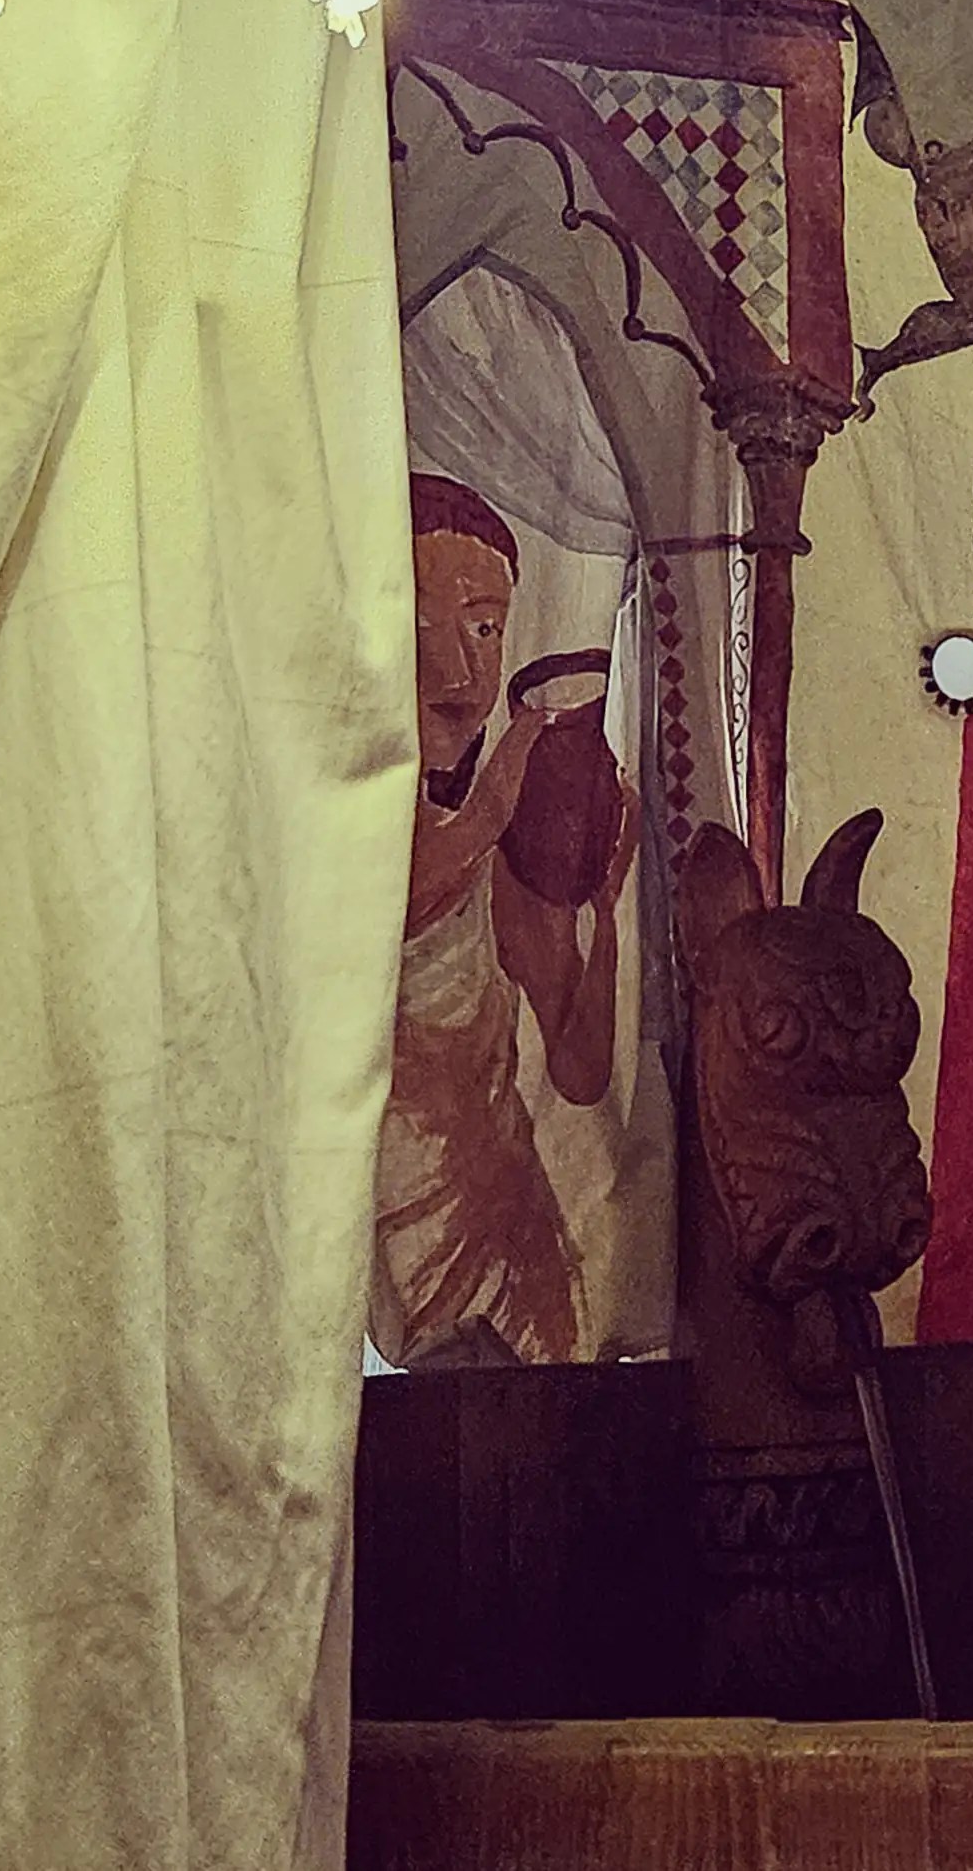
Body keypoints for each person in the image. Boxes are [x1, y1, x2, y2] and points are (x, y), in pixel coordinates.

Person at [372, 474, 639, 1365]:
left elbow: (579, 1065)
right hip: (372, 1221)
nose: (456, 675)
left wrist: (600, 913)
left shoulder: (499, 847)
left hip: (502, 1223)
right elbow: (390, 904)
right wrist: (494, 803)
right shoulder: (325, 839)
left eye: (483, 627)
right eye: (416, 625)